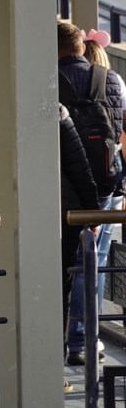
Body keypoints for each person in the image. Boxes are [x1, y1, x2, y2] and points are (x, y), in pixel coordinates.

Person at [65, 29, 126, 365]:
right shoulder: (113, 81)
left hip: (64, 186)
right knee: (94, 264)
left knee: (68, 264)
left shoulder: (52, 80)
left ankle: (58, 338)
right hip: (106, 186)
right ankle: (84, 340)